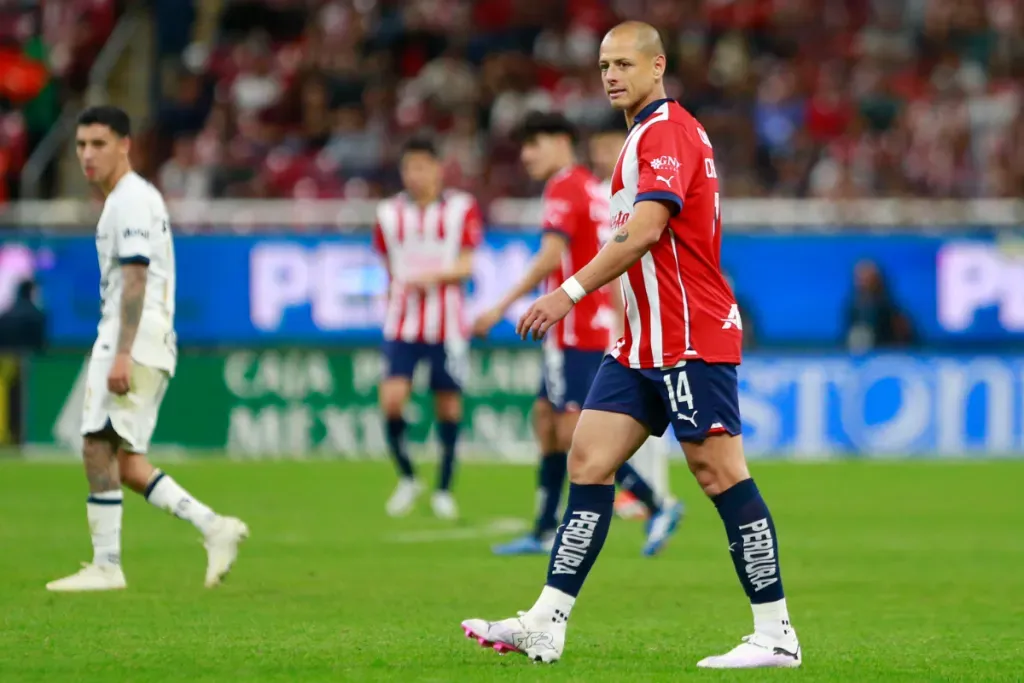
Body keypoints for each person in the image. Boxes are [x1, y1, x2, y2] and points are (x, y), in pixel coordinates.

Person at [459, 22, 801, 669]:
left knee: (719, 473)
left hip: (689, 335)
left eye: (623, 63)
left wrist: (569, 292)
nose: (612, 75)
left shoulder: (667, 130)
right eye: (604, 65)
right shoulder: (639, 137)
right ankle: (546, 622)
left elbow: (645, 230)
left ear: (657, 66)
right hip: (641, 341)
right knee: (587, 459)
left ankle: (776, 632)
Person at [46, 106, 249, 593]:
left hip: (132, 335)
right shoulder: (128, 199)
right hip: (145, 337)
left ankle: (107, 566)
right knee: (127, 463)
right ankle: (214, 527)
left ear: (125, 145)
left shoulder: (131, 200)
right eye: (81, 145)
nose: (87, 154)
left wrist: (122, 352)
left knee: (96, 444)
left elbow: (135, 277)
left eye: (99, 143)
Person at [475, 111, 682, 557]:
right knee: (546, 422)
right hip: (588, 328)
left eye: (534, 144)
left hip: (573, 331)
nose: (526, 155)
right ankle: (544, 528)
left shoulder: (565, 187)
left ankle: (656, 504)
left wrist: (498, 307)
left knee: (575, 434)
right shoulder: (591, 187)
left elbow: (552, 257)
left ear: (561, 142)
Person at [373, 137, 482, 520]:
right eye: (408, 168)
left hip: (447, 326)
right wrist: (394, 292)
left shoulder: (461, 208)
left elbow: (467, 265)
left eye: (421, 167)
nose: (414, 175)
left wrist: (429, 277)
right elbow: (387, 264)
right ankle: (407, 477)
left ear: (437, 169)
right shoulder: (388, 213)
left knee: (448, 406)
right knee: (391, 400)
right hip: (401, 324)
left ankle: (444, 489)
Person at [589, 122, 677, 520]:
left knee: (647, 408)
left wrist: (624, 322)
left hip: (643, 318)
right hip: (607, 321)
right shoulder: (599, 197)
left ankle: (655, 492)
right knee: (618, 412)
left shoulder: (647, 193)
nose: (602, 155)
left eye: (610, 146)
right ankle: (636, 494)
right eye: (597, 148)